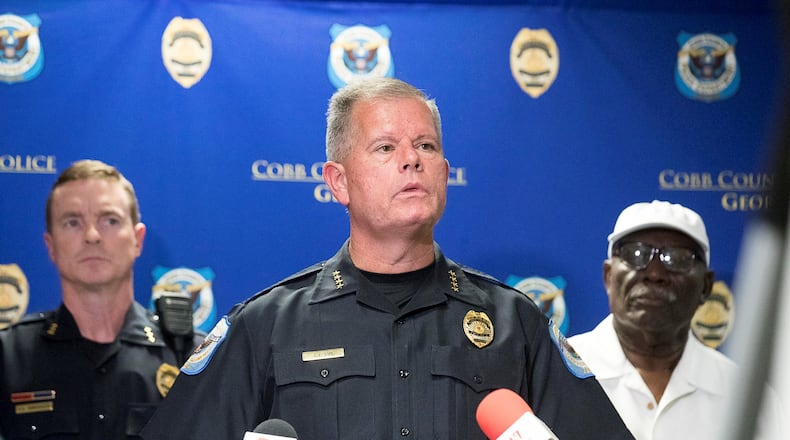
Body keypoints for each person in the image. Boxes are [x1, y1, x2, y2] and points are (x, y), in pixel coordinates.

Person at [141, 77, 633, 440]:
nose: (411, 159)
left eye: (426, 145)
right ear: (339, 182)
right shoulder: (265, 326)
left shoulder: (514, 321)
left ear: (443, 171)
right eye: (385, 147)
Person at [0, 159, 203, 439]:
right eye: (72, 222)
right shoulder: (8, 356)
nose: (92, 236)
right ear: (51, 245)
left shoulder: (192, 357)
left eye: (110, 220)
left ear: (137, 240)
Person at [568, 200, 784, 439]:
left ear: (706, 286)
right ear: (608, 276)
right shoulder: (555, 375)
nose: (655, 273)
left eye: (678, 259)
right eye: (636, 254)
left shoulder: (750, 400)